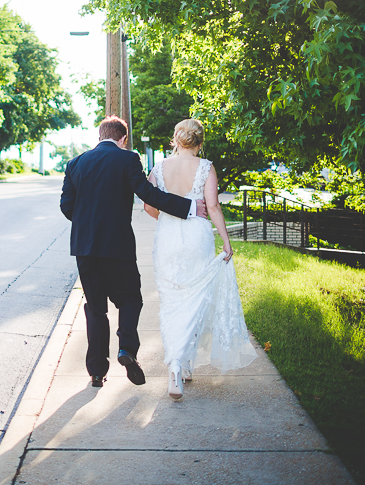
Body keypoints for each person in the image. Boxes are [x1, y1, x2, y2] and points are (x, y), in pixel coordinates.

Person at [60, 116, 207, 388]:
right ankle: (126, 348)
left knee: (95, 309)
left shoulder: (75, 163)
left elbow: (66, 206)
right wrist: (189, 208)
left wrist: (87, 225)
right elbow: (148, 194)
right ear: (123, 139)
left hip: (84, 248)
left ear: (100, 135)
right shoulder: (128, 160)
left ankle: (96, 372)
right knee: (130, 300)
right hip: (117, 247)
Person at [144, 118, 257, 400]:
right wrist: (226, 241)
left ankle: (177, 366)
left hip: (168, 239)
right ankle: (181, 363)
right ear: (199, 142)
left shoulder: (158, 168)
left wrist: (167, 218)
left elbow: (149, 206)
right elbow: (214, 206)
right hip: (197, 238)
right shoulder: (205, 167)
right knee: (195, 300)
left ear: (175, 139)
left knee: (171, 303)